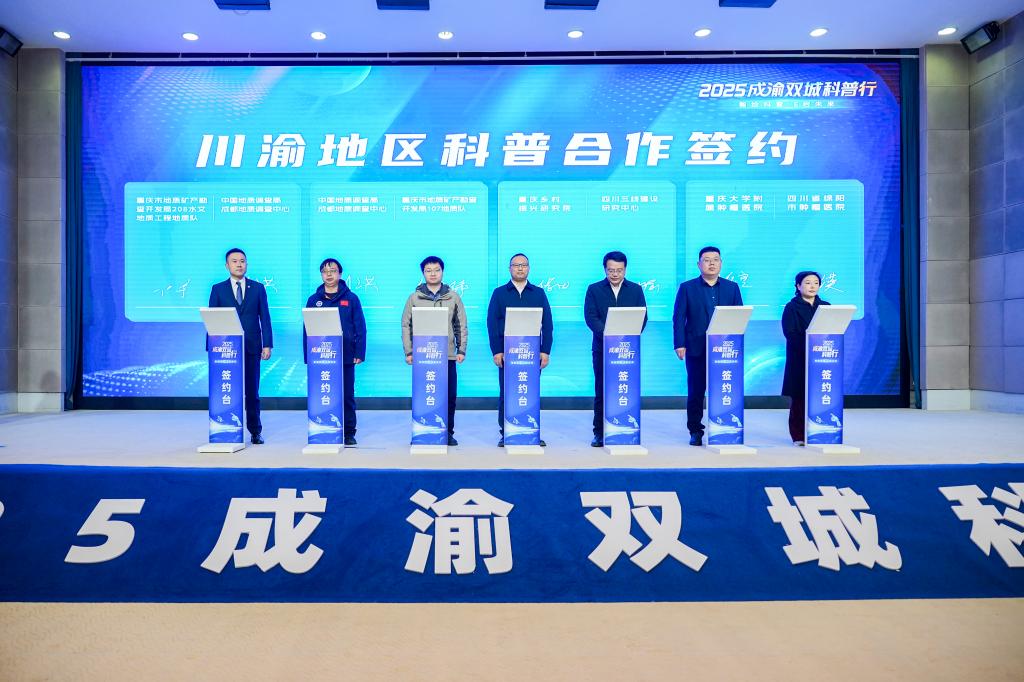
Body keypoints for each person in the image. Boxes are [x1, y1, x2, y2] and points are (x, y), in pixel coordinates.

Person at [672, 246, 743, 446]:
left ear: (721, 263)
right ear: (699, 264)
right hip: (697, 347)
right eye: (707, 260)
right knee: (696, 391)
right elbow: (679, 317)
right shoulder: (687, 287)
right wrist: (679, 343)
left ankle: (724, 428)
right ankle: (695, 430)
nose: (711, 263)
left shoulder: (732, 287)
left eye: (715, 259)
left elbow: (739, 316)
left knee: (724, 389)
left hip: (725, 349)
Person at [486, 253, 553, 447]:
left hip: (532, 354)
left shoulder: (538, 293)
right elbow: (492, 323)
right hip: (507, 354)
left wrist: (545, 351)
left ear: (529, 268)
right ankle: (506, 433)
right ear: (510, 269)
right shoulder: (499, 293)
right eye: (516, 265)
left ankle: (531, 431)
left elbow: (547, 324)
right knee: (507, 392)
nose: (520, 268)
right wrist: (496, 351)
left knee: (530, 392)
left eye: (523, 265)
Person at [208, 248, 273, 445]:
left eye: (242, 261)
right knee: (227, 390)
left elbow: (265, 317)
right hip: (226, 349)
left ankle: (255, 431)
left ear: (247, 264)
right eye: (234, 261)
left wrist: (267, 344)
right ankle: (227, 429)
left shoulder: (258, 288)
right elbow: (212, 319)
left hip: (252, 346)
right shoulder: (218, 289)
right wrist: (211, 347)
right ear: (227, 265)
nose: (239, 264)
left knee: (252, 392)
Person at [401, 256, 468, 446]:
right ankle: (422, 431)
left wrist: (461, 349)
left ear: (442, 272)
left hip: (447, 355)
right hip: (423, 357)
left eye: (437, 270)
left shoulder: (453, 297)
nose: (433, 273)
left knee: (449, 396)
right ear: (423, 273)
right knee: (424, 395)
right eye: (428, 270)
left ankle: (447, 433)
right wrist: (409, 352)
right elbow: (406, 325)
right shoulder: (414, 298)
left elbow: (460, 324)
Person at [583, 250, 647, 447]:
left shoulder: (636, 290)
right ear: (605, 269)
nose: (615, 274)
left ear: (625, 269)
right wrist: (609, 336)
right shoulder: (594, 289)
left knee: (626, 388)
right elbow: (590, 317)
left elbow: (643, 316)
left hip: (628, 351)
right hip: (602, 349)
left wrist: (626, 337)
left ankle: (627, 429)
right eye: (611, 270)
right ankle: (599, 433)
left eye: (619, 270)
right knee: (602, 390)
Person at [304, 258, 366, 447]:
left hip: (345, 355)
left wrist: (359, 352)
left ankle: (349, 432)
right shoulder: (313, 300)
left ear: (340, 274)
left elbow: (360, 327)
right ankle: (323, 428)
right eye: (325, 271)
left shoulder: (351, 298)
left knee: (346, 395)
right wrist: (308, 356)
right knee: (322, 393)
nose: (329, 274)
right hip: (320, 357)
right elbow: (307, 329)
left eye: (333, 271)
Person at [781, 270, 830, 446]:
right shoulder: (791, 307)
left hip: (823, 359)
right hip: (800, 358)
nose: (812, 286)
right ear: (798, 286)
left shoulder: (826, 307)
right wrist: (811, 346)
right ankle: (798, 435)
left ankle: (823, 431)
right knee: (800, 398)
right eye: (808, 283)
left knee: (822, 395)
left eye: (816, 283)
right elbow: (790, 333)